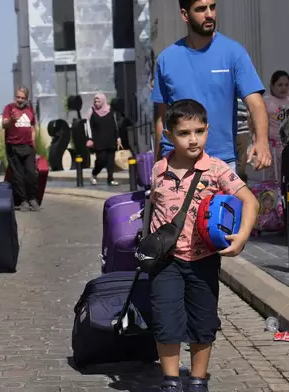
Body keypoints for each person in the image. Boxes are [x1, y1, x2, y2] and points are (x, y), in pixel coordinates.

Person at [149, 99, 259, 392]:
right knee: (166, 321)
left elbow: (251, 201)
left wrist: (242, 237)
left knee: (203, 322)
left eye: (200, 131)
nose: (194, 139)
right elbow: (153, 208)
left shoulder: (216, 169)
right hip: (165, 261)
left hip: (203, 260)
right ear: (169, 135)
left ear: (208, 130)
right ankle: (171, 381)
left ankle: (198, 380)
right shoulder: (159, 168)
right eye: (185, 133)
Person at [152, 0, 272, 173]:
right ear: (185, 15)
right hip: (176, 163)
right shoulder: (166, 59)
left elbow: (255, 103)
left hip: (221, 163)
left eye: (212, 7)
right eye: (201, 9)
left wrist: (261, 141)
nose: (209, 14)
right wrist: (158, 160)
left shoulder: (234, 53)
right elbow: (161, 117)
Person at [2, 87, 40, 211]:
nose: (19, 100)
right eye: (18, 97)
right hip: (13, 146)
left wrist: (33, 144)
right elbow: (4, 124)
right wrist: (12, 120)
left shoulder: (30, 110)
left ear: (26, 99)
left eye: (22, 98)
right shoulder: (9, 108)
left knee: (31, 173)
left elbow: (32, 127)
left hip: (27, 146)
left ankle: (32, 198)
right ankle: (23, 200)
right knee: (18, 176)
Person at [86, 93, 122, 186]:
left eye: (98, 101)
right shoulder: (91, 111)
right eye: (95, 101)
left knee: (110, 161)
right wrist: (90, 138)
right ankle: (94, 174)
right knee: (101, 159)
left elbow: (115, 125)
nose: (97, 103)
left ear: (103, 101)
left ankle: (110, 179)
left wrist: (118, 137)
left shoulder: (110, 110)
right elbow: (88, 127)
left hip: (111, 139)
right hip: (98, 141)